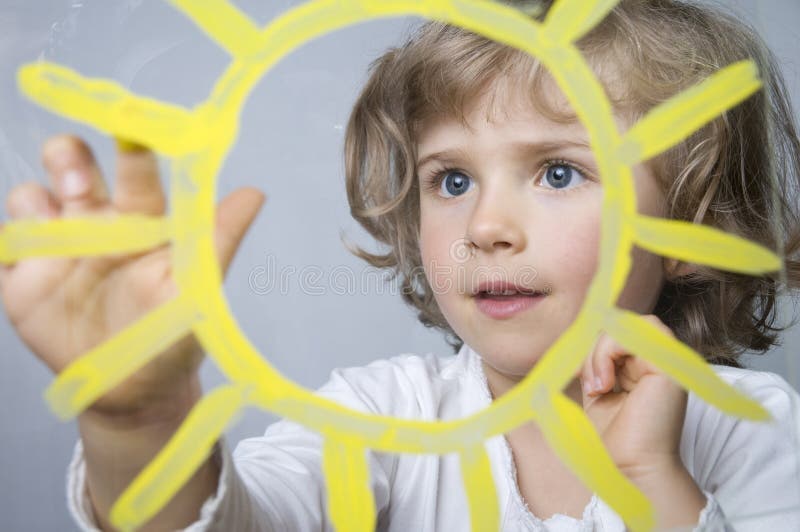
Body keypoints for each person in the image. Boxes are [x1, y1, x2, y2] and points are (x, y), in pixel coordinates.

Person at [4, 0, 800, 530]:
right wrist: (136, 421)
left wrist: (649, 479)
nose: (484, 226)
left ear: (693, 223)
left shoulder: (753, 428)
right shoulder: (379, 413)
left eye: (559, 172)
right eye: (451, 180)